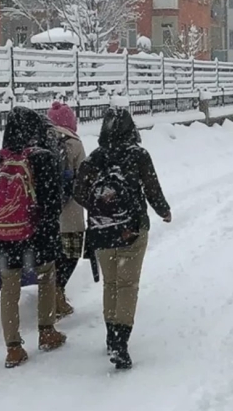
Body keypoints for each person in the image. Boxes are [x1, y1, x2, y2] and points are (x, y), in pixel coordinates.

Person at [74, 107, 171, 370]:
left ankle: (111, 336)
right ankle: (120, 341)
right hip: (132, 229)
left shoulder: (95, 157)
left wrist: (100, 207)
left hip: (101, 230)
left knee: (111, 284)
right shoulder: (138, 155)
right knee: (127, 285)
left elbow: (78, 191)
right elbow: (152, 188)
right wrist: (164, 211)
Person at [0, 106, 67, 369]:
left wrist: (5, 215)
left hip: (3, 238)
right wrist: (38, 220)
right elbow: (54, 200)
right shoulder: (43, 157)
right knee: (46, 278)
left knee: (9, 288)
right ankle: (47, 331)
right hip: (38, 236)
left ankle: (13, 348)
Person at [47, 101, 87, 319]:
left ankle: (49, 293)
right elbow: (85, 177)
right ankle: (58, 292)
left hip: (47, 212)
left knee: (51, 256)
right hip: (70, 212)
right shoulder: (74, 143)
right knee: (70, 254)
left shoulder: (41, 141)